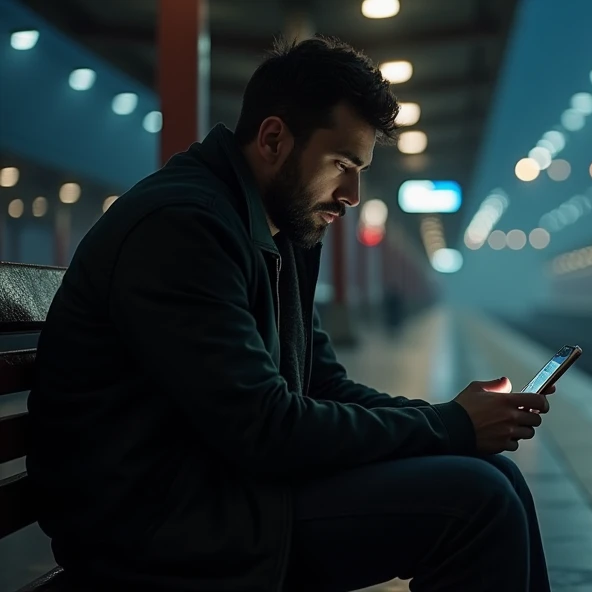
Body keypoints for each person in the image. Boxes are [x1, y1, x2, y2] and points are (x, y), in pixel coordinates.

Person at [27, 36, 553, 592]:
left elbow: (323, 386)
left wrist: (451, 418)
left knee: (497, 476)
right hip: (157, 524)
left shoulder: (274, 231)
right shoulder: (183, 228)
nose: (352, 193)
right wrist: (448, 427)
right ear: (274, 138)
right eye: (341, 164)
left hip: (224, 489)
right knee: (479, 502)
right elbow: (265, 428)